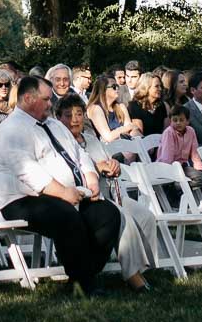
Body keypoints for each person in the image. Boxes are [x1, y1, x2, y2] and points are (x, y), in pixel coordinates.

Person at [0, 76, 122, 294]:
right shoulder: (11, 129)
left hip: (70, 195)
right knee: (66, 215)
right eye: (46, 99)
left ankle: (82, 275)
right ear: (29, 98)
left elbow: (79, 153)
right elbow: (26, 170)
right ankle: (83, 282)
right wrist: (62, 192)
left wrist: (90, 176)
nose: (51, 104)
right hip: (22, 199)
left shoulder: (53, 125)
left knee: (107, 214)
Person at [60, 95, 154, 290]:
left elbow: (107, 161)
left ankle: (145, 269)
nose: (74, 119)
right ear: (59, 118)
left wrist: (113, 165)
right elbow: (71, 171)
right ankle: (132, 276)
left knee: (146, 216)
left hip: (111, 192)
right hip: (88, 200)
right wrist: (97, 167)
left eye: (78, 114)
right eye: (68, 115)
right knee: (124, 218)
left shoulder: (91, 139)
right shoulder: (61, 144)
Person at [86, 75, 142, 142]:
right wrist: (128, 128)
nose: (117, 89)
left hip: (126, 145)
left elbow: (131, 130)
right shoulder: (95, 108)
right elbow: (108, 137)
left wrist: (139, 139)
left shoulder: (121, 106)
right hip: (108, 149)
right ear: (103, 90)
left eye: (117, 86)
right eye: (114, 87)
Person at [155, 105, 202, 176]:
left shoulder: (191, 131)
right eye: (175, 120)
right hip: (167, 166)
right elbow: (167, 155)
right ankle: (176, 185)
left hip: (182, 165)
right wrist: (169, 173)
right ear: (170, 121)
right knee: (198, 178)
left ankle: (181, 185)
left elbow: (195, 152)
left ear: (187, 121)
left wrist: (198, 167)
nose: (178, 123)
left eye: (181, 120)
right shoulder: (169, 132)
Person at [128, 73, 167, 137]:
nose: (160, 89)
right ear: (146, 87)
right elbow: (139, 134)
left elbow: (166, 131)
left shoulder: (161, 106)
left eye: (160, 86)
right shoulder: (134, 106)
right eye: (156, 86)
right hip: (145, 144)